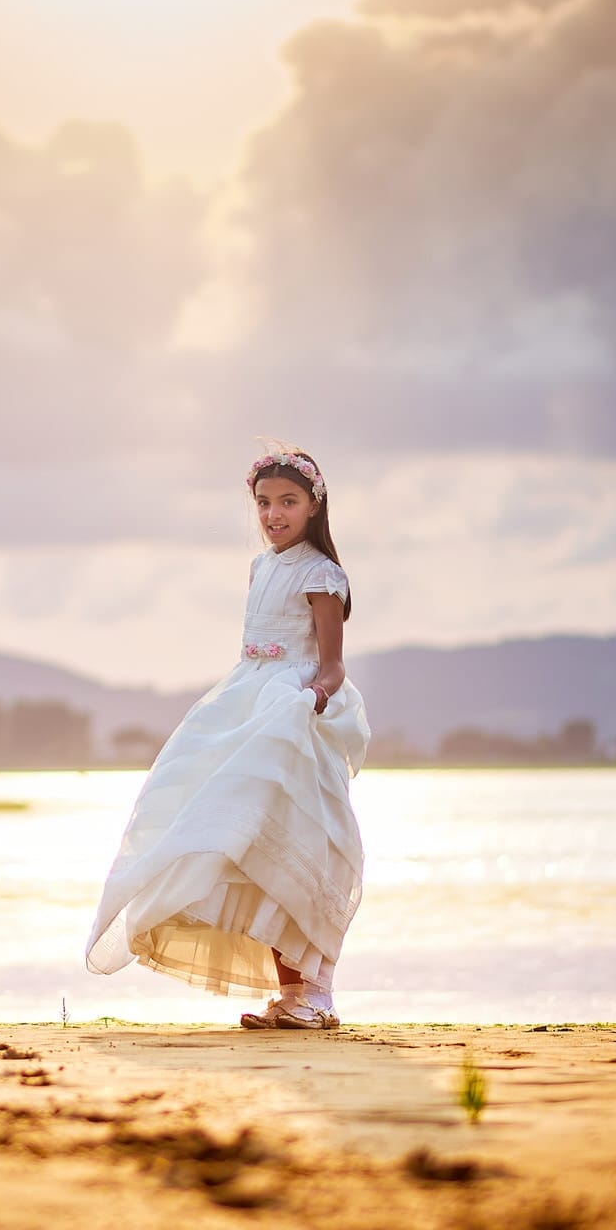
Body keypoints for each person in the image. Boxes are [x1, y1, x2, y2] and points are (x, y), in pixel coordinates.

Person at [84, 438, 370, 1029]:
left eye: (288, 502)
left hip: (293, 713)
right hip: (245, 701)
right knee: (243, 841)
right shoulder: (261, 566)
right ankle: (291, 996)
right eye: (264, 503)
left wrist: (310, 698)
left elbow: (333, 665)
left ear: (313, 505)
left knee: (296, 837)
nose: (273, 515)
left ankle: (317, 994)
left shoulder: (322, 574)